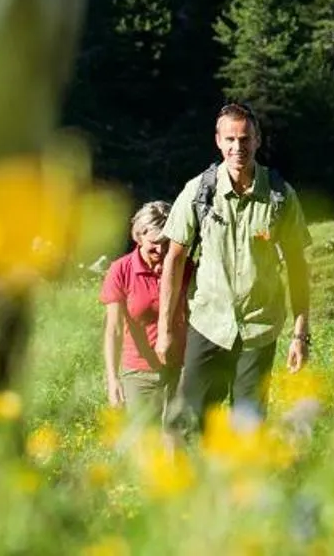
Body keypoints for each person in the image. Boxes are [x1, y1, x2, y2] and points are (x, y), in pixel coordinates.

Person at [155, 102, 312, 431]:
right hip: (208, 324)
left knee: (248, 426)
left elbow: (298, 267)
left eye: (244, 139)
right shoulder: (199, 192)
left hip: (259, 328)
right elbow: (174, 259)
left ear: (257, 140)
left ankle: (238, 483)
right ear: (217, 141)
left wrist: (300, 334)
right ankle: (190, 482)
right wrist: (166, 330)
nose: (237, 147)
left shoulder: (281, 195)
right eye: (230, 139)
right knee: (190, 421)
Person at [100, 200, 173, 428]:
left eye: (165, 243)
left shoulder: (181, 265)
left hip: (180, 369)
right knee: (144, 442)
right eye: (153, 243)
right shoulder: (121, 270)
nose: (160, 250)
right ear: (139, 237)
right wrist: (113, 380)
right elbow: (114, 329)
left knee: (181, 441)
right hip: (139, 371)